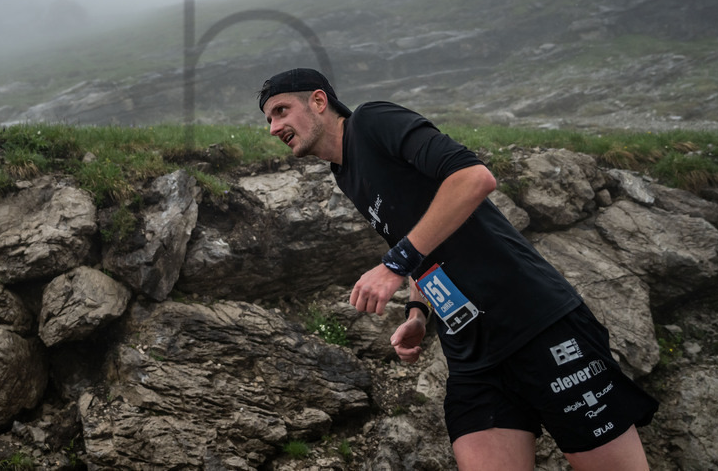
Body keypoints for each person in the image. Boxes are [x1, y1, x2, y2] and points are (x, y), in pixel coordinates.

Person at [258, 68, 658, 471]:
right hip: (471, 351)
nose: (274, 127)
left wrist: (393, 265)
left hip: (535, 323)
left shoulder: (372, 121)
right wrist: (418, 312)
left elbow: (473, 178)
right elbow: (418, 241)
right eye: (268, 120)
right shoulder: (345, 174)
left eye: (280, 110)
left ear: (319, 101)